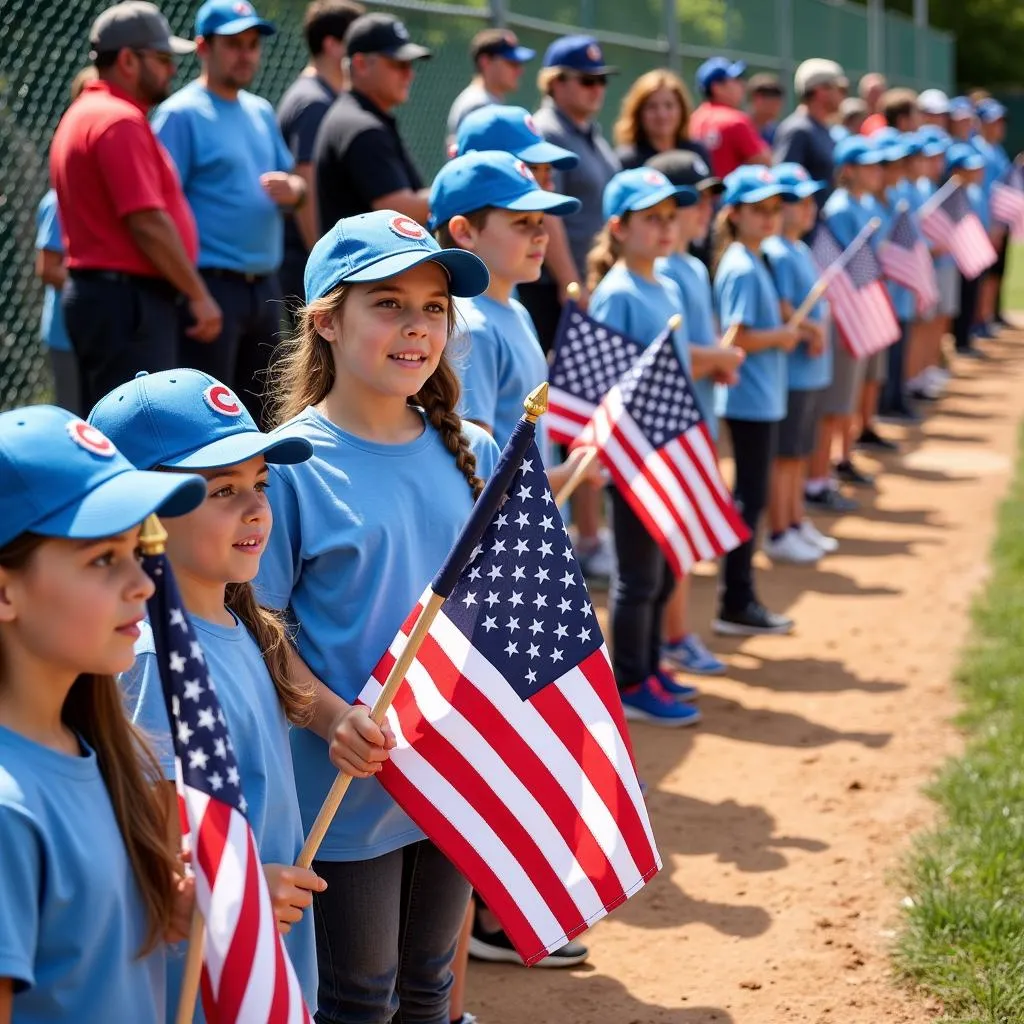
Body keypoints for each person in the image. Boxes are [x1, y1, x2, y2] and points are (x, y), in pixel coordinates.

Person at [255, 209, 499, 1023]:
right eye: (388, 303)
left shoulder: (476, 450)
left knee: (430, 984)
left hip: (452, 767)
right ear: (325, 319)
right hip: (344, 782)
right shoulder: (287, 465)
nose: (416, 326)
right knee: (360, 994)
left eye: (434, 307)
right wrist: (330, 717)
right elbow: (262, 626)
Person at [89, 368, 321, 1020]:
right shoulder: (150, 660)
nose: (255, 509)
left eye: (260, 485)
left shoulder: (241, 621)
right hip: (206, 978)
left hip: (266, 952)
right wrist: (244, 893)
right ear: (142, 512)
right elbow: (158, 851)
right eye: (221, 490)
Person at [428, 150, 596, 978]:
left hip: (528, 529)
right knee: (489, 740)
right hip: (492, 556)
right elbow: (475, 455)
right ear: (464, 231)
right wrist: (552, 481)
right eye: (521, 223)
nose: (541, 237)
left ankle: (498, 911)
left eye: (545, 222)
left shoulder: (514, 309)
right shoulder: (471, 328)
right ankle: (486, 925)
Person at [0, 404, 205, 1022]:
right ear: (6, 590)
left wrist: (176, 906)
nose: (144, 582)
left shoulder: (100, 748)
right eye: (101, 559)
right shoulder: (9, 807)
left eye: (134, 550)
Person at [49, 1, 221, 409]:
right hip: (128, 306)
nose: (172, 69)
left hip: (108, 300)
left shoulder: (85, 112)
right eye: (162, 58)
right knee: (142, 436)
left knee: (114, 431)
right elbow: (146, 220)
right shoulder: (117, 119)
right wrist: (198, 294)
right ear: (127, 60)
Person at [151, 0, 305, 428]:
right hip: (211, 288)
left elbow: (295, 186)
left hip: (264, 287)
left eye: (253, 44)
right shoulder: (180, 114)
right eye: (234, 43)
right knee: (208, 421)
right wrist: (193, 290)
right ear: (203, 47)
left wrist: (295, 189)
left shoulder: (259, 110)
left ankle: (262, 496)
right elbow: (159, 205)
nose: (246, 54)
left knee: (267, 415)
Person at [587, 167, 704, 725]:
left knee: (662, 571)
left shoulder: (671, 283)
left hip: (668, 448)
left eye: (668, 217)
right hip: (634, 458)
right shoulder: (617, 292)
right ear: (619, 226)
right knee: (637, 575)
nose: (664, 228)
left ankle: (652, 664)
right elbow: (607, 382)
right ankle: (630, 679)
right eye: (650, 218)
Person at [530, 34, 621, 580]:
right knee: (567, 412)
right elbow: (553, 216)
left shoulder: (588, 132)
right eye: (586, 80)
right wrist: (571, 285)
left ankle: (589, 533)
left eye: (601, 80)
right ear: (555, 82)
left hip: (585, 290)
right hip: (556, 292)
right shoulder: (546, 130)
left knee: (585, 407)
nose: (596, 89)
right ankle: (576, 536)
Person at [649, 149, 743, 676]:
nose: (705, 208)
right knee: (669, 539)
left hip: (698, 414)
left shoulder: (688, 265)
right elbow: (677, 356)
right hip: (672, 424)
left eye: (708, 198)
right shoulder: (666, 271)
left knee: (681, 536)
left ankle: (675, 635)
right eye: (693, 199)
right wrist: (721, 358)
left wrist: (717, 362)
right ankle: (671, 637)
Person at [711, 166, 799, 636]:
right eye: (758, 210)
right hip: (748, 398)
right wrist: (781, 335)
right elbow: (736, 335)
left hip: (761, 396)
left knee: (752, 495)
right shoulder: (743, 264)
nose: (769, 217)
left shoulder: (755, 257)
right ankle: (736, 599)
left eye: (774, 209)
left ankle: (740, 595)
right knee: (749, 497)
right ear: (735, 214)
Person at [762, 163, 838, 564]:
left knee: (800, 452)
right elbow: (784, 306)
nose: (809, 209)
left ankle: (796, 520)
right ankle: (779, 529)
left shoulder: (801, 247)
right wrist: (812, 329)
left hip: (810, 371)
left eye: (811, 201)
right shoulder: (775, 250)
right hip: (790, 372)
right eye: (798, 201)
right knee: (786, 455)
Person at [277, 0, 367, 311]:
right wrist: (324, 260)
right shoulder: (314, 101)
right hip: (309, 257)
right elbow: (306, 182)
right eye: (356, 42)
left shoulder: (325, 96)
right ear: (332, 45)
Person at [812, 135, 886, 510]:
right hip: (844, 314)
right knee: (835, 403)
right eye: (868, 166)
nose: (877, 172)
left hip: (858, 310)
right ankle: (821, 476)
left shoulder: (861, 201)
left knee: (847, 397)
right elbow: (841, 272)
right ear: (849, 171)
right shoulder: (841, 207)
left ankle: (840, 460)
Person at [313, 12, 432, 228]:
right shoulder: (361, 127)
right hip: (364, 261)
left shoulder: (359, 116)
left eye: (410, 65)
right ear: (360, 64)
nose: (409, 74)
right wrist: (458, 189)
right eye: (399, 64)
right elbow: (402, 212)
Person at [772, 58, 844, 209]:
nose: (843, 95)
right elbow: (785, 184)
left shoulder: (823, 128)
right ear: (820, 91)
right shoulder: (798, 130)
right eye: (840, 88)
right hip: (803, 228)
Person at [612, 68, 714, 172]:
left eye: (669, 106)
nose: (662, 115)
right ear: (638, 112)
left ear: (682, 110)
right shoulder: (627, 161)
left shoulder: (697, 154)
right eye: (652, 107)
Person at [446, 29, 535, 145]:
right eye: (512, 63)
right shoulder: (478, 104)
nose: (519, 71)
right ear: (485, 62)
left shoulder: (487, 100)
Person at [688, 57, 771, 178]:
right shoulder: (735, 120)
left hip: (700, 194)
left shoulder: (691, 120)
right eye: (734, 80)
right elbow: (765, 163)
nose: (742, 85)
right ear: (717, 88)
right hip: (731, 195)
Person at [747, 72, 784, 145]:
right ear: (756, 98)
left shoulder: (778, 132)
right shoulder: (739, 127)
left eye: (778, 97)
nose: (777, 103)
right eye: (770, 96)